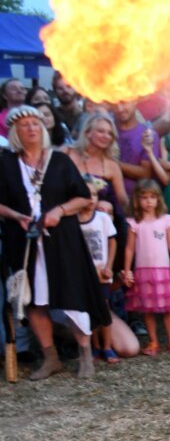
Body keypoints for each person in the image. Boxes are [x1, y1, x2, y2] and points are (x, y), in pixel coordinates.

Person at [0, 106, 113, 380]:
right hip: (24, 242)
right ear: (15, 131)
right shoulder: (6, 164)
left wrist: (59, 212)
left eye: (35, 124)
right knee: (33, 301)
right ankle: (51, 358)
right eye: (25, 125)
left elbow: (84, 197)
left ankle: (85, 354)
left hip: (62, 240)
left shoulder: (60, 162)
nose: (31, 129)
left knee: (72, 296)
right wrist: (16, 216)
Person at [122, 179, 170, 356]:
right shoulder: (135, 223)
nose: (148, 201)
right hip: (143, 272)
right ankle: (153, 342)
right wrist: (127, 270)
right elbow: (129, 248)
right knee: (147, 309)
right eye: (144, 197)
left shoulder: (166, 220)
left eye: (152, 197)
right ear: (137, 200)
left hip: (163, 271)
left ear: (159, 199)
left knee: (168, 308)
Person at [78, 176, 119, 364]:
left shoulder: (102, 218)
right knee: (89, 313)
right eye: (87, 194)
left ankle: (107, 347)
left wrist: (109, 266)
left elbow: (112, 242)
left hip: (103, 274)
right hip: (86, 276)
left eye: (94, 194)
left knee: (105, 309)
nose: (91, 198)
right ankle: (94, 347)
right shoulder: (74, 221)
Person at [67, 112, 130, 214]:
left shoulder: (112, 165)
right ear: (87, 132)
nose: (106, 136)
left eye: (110, 133)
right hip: (68, 216)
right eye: (101, 131)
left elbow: (123, 202)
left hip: (100, 223)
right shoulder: (67, 152)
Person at [112, 100, 155, 199]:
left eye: (124, 102)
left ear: (134, 101)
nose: (119, 109)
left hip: (138, 203)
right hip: (107, 204)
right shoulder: (106, 132)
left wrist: (113, 163)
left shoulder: (147, 134)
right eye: (115, 104)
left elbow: (145, 174)